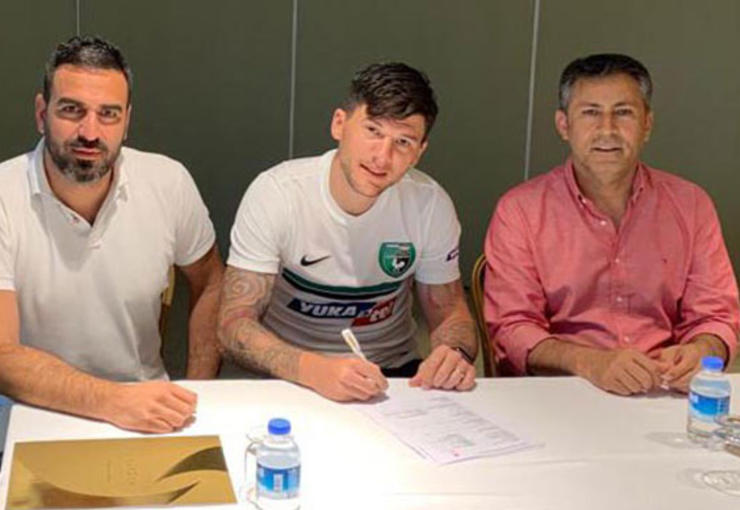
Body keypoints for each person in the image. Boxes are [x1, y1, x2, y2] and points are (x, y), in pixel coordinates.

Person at [0, 36, 223, 433]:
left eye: (108, 114)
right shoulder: (4, 194)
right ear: (41, 113)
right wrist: (112, 401)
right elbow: (2, 355)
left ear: (127, 121)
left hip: (145, 409)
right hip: (31, 413)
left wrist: (197, 391)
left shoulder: (168, 182)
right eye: (72, 110)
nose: (90, 132)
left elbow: (211, 282)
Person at [218, 62, 477, 401]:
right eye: (373, 131)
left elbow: (450, 312)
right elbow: (233, 324)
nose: (382, 157)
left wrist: (454, 353)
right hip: (291, 372)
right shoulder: (278, 193)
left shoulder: (429, 204)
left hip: (393, 374)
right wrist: (313, 370)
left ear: (419, 152)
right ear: (339, 124)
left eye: (403, 142)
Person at [484, 53, 739, 395]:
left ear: (647, 125)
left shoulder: (691, 205)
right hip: (561, 394)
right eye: (590, 113)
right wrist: (589, 364)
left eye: (623, 112)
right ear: (563, 125)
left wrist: (701, 350)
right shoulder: (520, 211)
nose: (607, 130)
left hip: (665, 391)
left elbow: (717, 316)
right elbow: (512, 328)